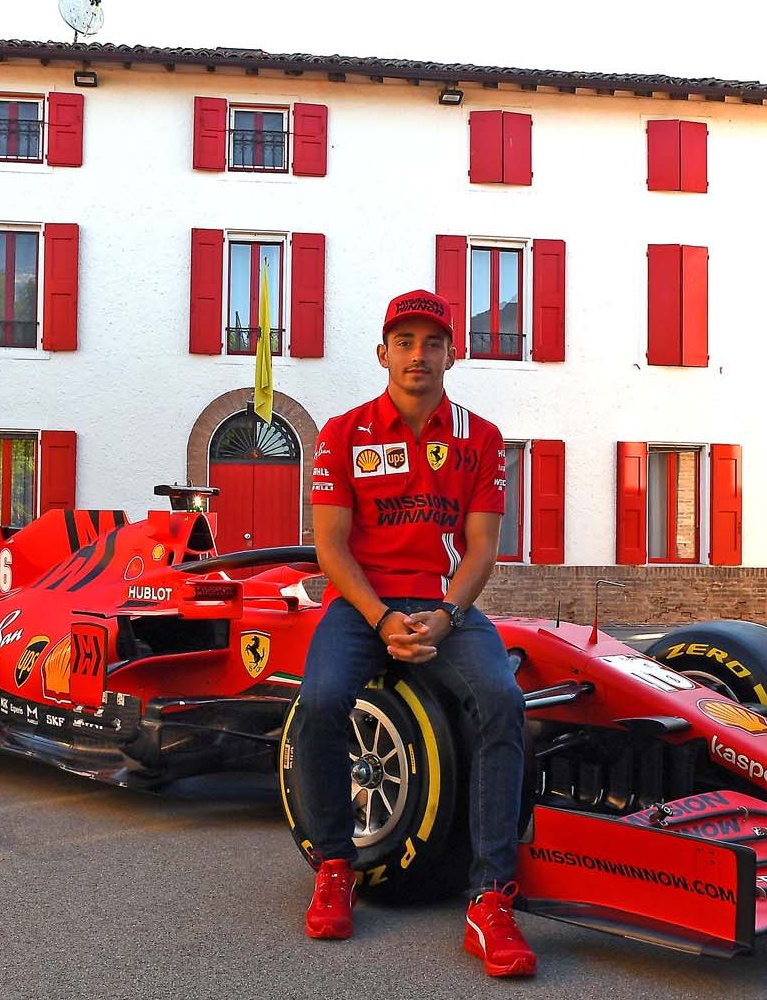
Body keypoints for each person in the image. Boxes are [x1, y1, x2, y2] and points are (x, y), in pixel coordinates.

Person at [295, 288, 535, 978]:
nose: (418, 355)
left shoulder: (480, 437)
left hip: (445, 606)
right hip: (361, 606)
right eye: (405, 342)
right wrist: (380, 618)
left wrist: (447, 615)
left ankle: (490, 898)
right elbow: (331, 549)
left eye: (432, 343)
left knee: (503, 702)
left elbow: (483, 548)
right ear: (383, 354)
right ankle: (336, 866)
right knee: (319, 703)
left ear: (452, 354)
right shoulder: (343, 433)